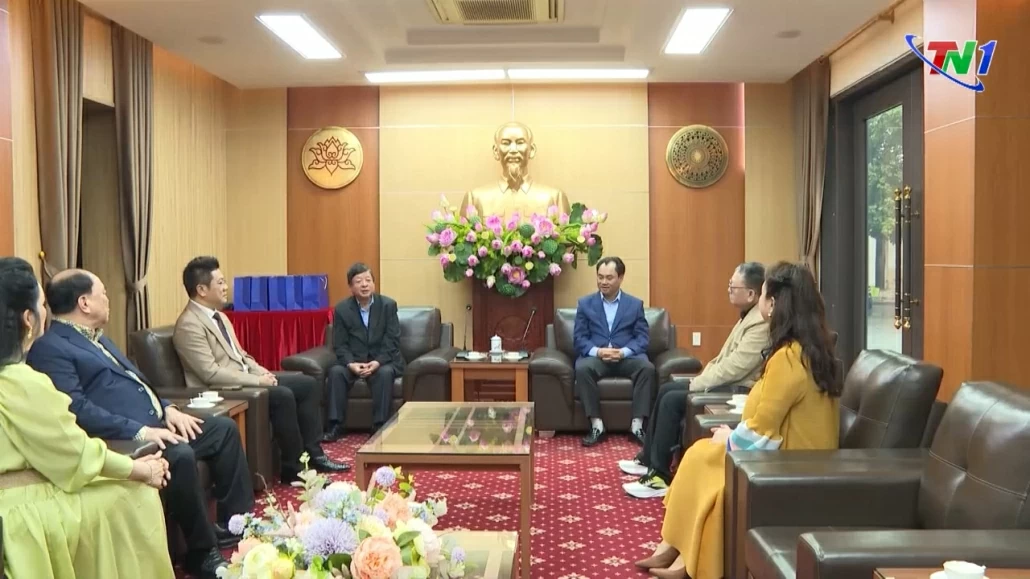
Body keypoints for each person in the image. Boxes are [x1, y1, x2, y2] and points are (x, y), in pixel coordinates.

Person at [26, 268, 252, 579]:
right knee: (180, 455)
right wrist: (140, 430)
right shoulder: (51, 348)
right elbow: (76, 409)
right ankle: (202, 553)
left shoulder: (100, 339)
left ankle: (237, 524)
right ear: (84, 303)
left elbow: (138, 382)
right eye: (103, 293)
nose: (108, 299)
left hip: (156, 425)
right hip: (126, 440)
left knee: (221, 430)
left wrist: (168, 408)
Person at [636, 261, 841, 579]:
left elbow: (763, 429)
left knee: (702, 459)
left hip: (787, 465)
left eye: (763, 294)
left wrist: (728, 438)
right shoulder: (809, 350)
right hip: (791, 456)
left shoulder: (789, 358)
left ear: (773, 304)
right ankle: (674, 547)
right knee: (699, 456)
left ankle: (686, 559)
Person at [0, 257, 175, 578]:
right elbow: (75, 454)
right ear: (28, 319)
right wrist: (140, 469)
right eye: (42, 305)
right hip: (18, 517)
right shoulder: (21, 382)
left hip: (23, 493)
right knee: (136, 494)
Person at [172, 256, 350, 478]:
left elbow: (242, 356)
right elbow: (211, 373)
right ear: (201, 289)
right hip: (220, 389)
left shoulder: (220, 317)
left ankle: (315, 455)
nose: (226, 287)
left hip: (244, 378)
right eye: (220, 282)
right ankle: (293, 468)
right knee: (282, 395)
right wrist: (257, 381)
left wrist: (263, 372)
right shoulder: (189, 325)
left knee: (307, 384)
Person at [621, 262, 769, 499]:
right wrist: (701, 379)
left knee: (672, 400)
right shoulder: (747, 316)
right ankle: (648, 459)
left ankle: (659, 477)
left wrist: (697, 383)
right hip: (726, 383)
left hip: (738, 389)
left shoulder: (760, 323)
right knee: (667, 389)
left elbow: (735, 367)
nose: (728, 290)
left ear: (751, 294)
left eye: (733, 286)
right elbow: (723, 360)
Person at [573, 256, 656, 447]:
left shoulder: (634, 305)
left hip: (626, 357)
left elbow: (642, 338)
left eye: (609, 278)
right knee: (582, 368)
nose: (603, 282)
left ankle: (637, 426)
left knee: (647, 368)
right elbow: (579, 338)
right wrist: (598, 351)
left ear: (620, 277)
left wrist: (624, 352)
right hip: (597, 358)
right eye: (600, 277)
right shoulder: (585, 304)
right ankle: (597, 425)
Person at [323, 263, 405, 439]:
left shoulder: (388, 305)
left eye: (368, 280)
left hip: (382, 360)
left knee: (384, 373)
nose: (364, 285)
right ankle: (335, 426)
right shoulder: (342, 309)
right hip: (354, 360)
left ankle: (379, 425)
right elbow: (340, 344)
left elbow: (392, 340)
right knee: (336, 372)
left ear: (374, 284)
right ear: (351, 287)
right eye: (358, 281)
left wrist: (377, 362)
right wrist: (351, 364)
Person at [459, 121, 571, 223]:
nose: (513, 150)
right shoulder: (475, 199)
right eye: (506, 143)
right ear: (496, 151)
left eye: (520, 142)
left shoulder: (555, 198)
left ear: (531, 150)